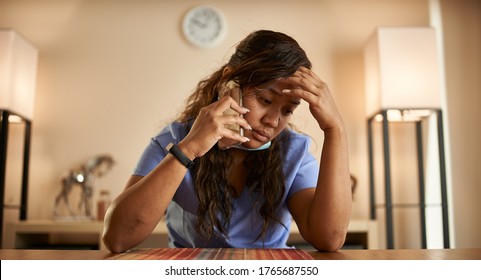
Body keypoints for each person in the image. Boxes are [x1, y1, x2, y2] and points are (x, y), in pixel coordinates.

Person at [102, 30, 352, 253]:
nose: (273, 121)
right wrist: (189, 148)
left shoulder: (292, 151)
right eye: (265, 100)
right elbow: (118, 238)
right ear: (229, 83)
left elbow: (328, 238)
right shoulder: (175, 139)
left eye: (287, 110)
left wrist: (336, 129)